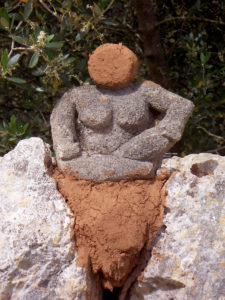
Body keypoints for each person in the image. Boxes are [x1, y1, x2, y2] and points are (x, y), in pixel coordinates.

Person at [50, 44, 194, 181]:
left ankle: (134, 166)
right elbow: (59, 122)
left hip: (136, 157)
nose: (111, 68)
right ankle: (132, 168)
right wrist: (67, 148)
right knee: (72, 165)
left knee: (158, 148)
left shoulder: (144, 91)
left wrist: (165, 130)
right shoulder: (77, 95)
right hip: (88, 163)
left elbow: (181, 106)